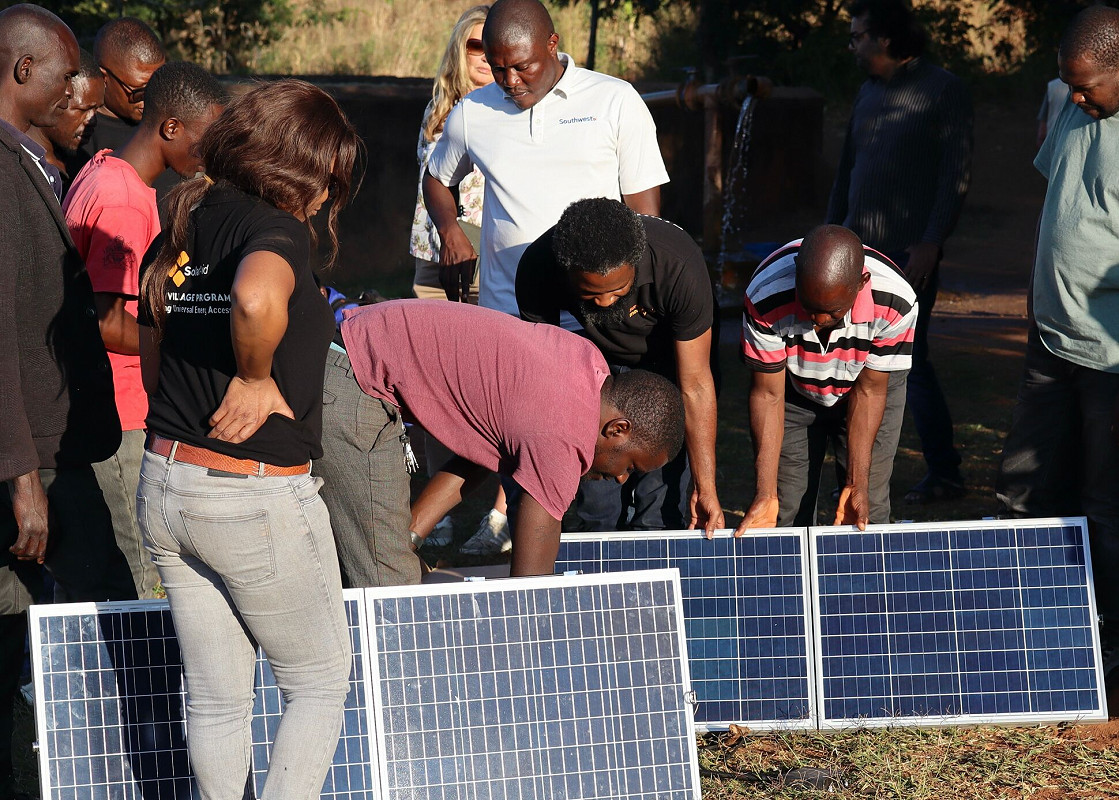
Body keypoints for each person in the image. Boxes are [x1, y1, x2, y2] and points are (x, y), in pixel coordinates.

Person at [135, 79, 361, 800]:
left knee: (218, 697)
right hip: (250, 497)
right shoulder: (278, 231)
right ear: (301, 167)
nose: (333, 192)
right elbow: (257, 297)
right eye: (332, 174)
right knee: (320, 682)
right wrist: (257, 377)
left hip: (168, 482)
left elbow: (156, 317)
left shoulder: (191, 210)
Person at [0, 5, 137, 798]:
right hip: (32, 462)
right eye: (63, 72)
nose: (78, 87)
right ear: (23, 72)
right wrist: (20, 477)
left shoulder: (34, 160)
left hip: (58, 449)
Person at [329, 299, 685, 580]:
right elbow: (529, 592)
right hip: (356, 377)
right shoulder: (563, 433)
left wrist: (409, 536)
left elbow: (487, 451)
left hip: (348, 348)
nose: (622, 478)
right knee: (389, 587)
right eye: (631, 466)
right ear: (617, 430)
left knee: (384, 557)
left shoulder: (587, 366)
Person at [63, 61, 227, 599]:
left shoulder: (102, 170)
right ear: (171, 127)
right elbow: (108, 320)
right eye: (206, 141)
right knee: (137, 579)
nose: (209, 157)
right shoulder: (126, 201)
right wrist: (187, 346)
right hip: (122, 413)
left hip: (107, 404)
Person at [995, 5, 1119, 682]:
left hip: (1111, 360)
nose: (1074, 94)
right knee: (1024, 487)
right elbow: (1062, 205)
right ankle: (1027, 627)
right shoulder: (1076, 108)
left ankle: (1104, 648)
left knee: (1104, 503)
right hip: (1049, 339)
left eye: (1087, 84)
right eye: (1067, 82)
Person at [423, 0, 668, 320]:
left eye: (522, 66)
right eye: (497, 68)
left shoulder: (615, 101)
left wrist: (632, 300)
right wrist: (449, 230)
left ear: (552, 45)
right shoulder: (474, 111)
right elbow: (437, 179)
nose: (509, 81)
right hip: (506, 313)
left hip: (594, 315)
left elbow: (645, 215)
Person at [827, 0, 972, 505]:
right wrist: (829, 236)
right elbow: (847, 172)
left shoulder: (943, 89)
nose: (852, 46)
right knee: (845, 352)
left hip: (910, 254)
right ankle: (849, 465)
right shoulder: (868, 92)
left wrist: (932, 239)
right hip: (854, 254)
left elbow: (954, 176)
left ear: (885, 38)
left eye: (857, 35)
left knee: (912, 360)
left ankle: (945, 470)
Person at [517, 198, 722, 536]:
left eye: (619, 289)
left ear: (636, 264)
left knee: (660, 509)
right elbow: (546, 377)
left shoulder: (678, 264)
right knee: (595, 510)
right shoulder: (539, 266)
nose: (606, 302)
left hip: (673, 365)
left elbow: (696, 386)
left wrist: (707, 487)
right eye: (591, 294)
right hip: (597, 370)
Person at [401, 3, 510, 556]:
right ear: (457, 52)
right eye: (474, 46)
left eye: (493, 46)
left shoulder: (512, 110)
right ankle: (438, 511)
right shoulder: (440, 109)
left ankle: (502, 514)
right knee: (430, 388)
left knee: (495, 385)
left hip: (489, 264)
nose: (485, 57)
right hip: (433, 263)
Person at [737, 226, 917, 532]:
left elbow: (871, 392)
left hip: (868, 388)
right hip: (791, 391)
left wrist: (857, 483)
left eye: (832, 312)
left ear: (862, 283)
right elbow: (768, 395)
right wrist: (764, 491)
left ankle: (865, 577)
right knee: (783, 507)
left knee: (865, 506)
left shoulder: (896, 301)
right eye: (808, 306)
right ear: (796, 274)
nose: (817, 321)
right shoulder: (765, 295)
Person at [80, 17, 178, 197]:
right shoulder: (79, 136)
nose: (151, 97)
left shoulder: (168, 126)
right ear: (104, 77)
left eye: (158, 84)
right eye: (139, 91)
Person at [26, 48, 103, 198]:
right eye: (83, 110)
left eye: (97, 109)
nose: (92, 120)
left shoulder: (85, 166)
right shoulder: (18, 164)